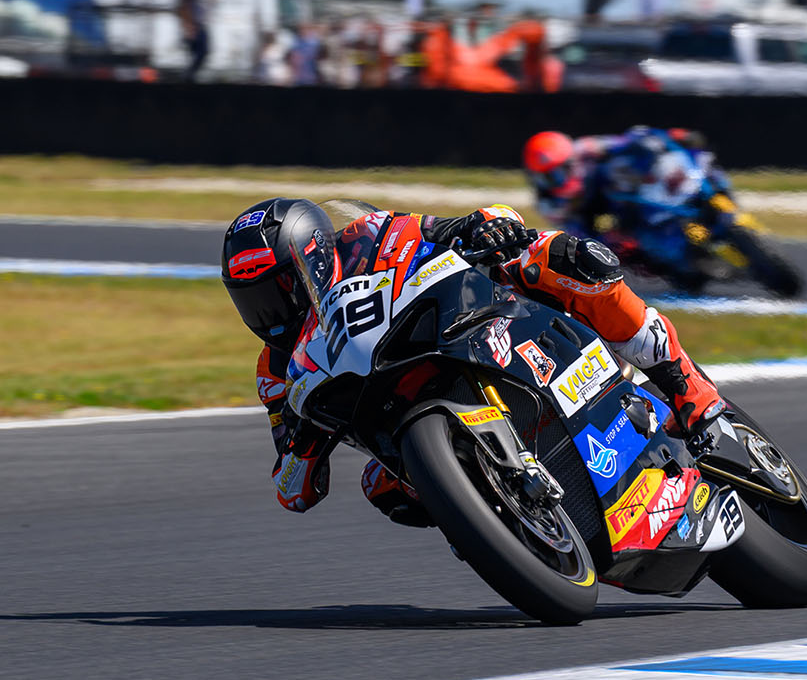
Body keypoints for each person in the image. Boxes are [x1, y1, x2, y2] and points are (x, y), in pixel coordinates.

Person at [220, 199, 726, 524]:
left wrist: (482, 226)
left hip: (458, 330)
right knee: (382, 487)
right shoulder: (276, 373)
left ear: (313, 258)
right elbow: (294, 491)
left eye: (277, 291)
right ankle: (505, 525)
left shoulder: (366, 235)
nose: (269, 314)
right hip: (398, 416)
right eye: (252, 301)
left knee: (554, 256)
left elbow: (444, 228)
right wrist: (303, 442)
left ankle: (684, 385)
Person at [523, 126, 717, 243]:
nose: (555, 181)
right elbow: (577, 234)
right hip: (610, 215)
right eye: (546, 177)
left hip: (627, 190)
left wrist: (672, 136)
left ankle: (704, 189)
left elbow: (629, 139)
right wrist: (609, 239)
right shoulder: (549, 203)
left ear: (571, 161)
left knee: (638, 153)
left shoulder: (585, 148)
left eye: (558, 173)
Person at [175, 0, 210, 81]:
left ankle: (189, 75)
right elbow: (185, 5)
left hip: (197, 24)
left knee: (198, 53)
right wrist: (189, 26)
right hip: (194, 25)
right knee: (201, 52)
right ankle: (188, 76)